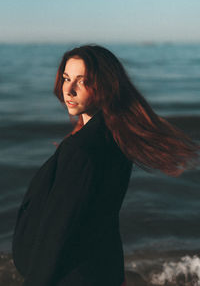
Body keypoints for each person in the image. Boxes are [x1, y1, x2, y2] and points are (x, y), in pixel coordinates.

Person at [12, 44, 200, 286]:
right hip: (102, 268)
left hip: (72, 276)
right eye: (66, 78)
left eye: (82, 81)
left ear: (104, 86)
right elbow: (101, 218)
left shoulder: (82, 149)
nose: (68, 89)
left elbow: (57, 231)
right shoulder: (117, 136)